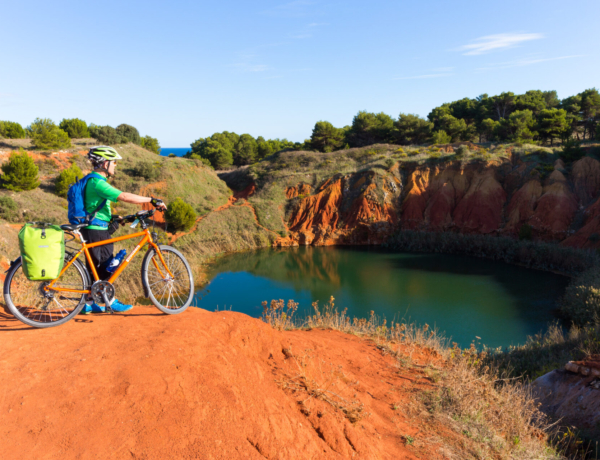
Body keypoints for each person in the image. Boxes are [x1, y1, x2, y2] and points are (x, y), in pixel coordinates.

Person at [80, 146, 167, 314]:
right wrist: (152, 200)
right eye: (113, 162)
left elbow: (92, 206)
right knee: (106, 266)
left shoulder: (90, 180)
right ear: (105, 163)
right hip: (96, 230)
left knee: (96, 268)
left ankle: (90, 303)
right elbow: (124, 196)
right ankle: (109, 301)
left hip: (94, 227)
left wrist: (113, 218)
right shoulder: (97, 182)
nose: (115, 166)